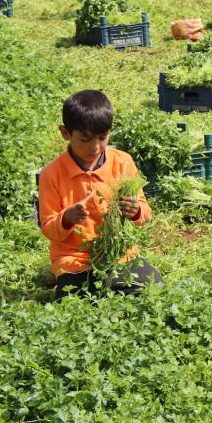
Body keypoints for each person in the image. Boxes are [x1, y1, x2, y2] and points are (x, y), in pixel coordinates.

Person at [37, 90, 160, 299]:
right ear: (65, 133)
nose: (95, 147)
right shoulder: (52, 174)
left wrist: (136, 211)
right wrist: (67, 218)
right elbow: (49, 228)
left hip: (120, 257)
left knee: (154, 288)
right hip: (74, 261)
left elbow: (145, 213)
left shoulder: (122, 162)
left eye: (102, 138)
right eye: (85, 139)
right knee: (74, 301)